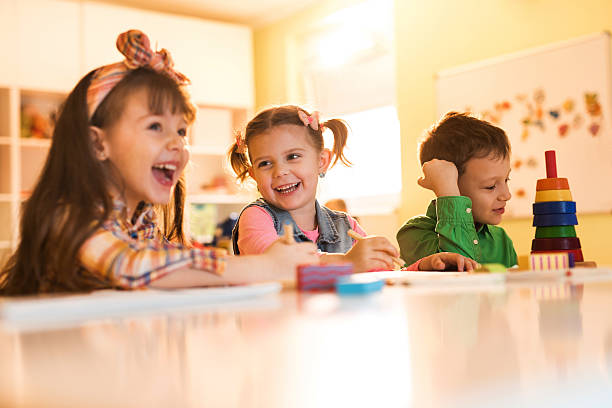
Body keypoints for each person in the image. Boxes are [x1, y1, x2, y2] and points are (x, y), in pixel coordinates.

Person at [0, 30, 319, 295]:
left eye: (181, 131)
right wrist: (262, 266)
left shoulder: (141, 223)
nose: (177, 143)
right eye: (155, 126)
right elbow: (133, 265)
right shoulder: (69, 215)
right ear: (98, 143)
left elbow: (176, 266)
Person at [228, 105, 479, 272]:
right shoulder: (257, 218)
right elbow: (279, 267)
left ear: (321, 161)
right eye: (265, 163)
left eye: (292, 156)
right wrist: (348, 263)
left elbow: (384, 276)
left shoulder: (346, 226)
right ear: (254, 176)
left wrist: (424, 267)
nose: (279, 171)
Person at [397, 111, 518, 268]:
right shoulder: (414, 233)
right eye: (490, 186)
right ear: (449, 183)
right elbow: (458, 270)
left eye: (506, 180)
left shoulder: (501, 240)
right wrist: (447, 192)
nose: (507, 195)